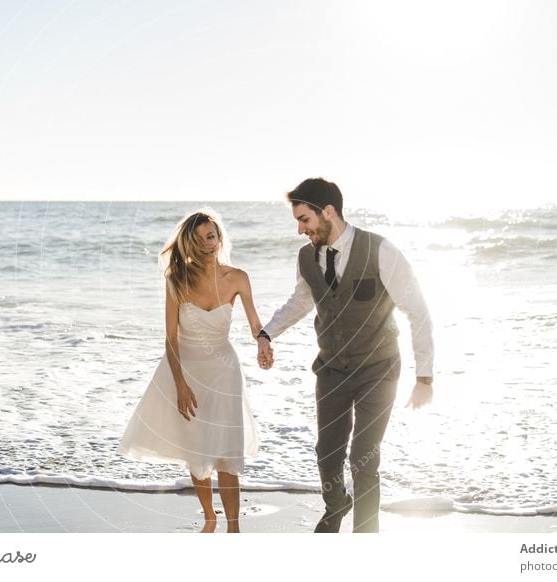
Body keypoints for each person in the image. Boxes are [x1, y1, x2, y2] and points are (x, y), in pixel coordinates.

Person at [256, 178, 435, 533]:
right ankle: (337, 503)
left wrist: (424, 377)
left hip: (378, 370)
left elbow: (417, 310)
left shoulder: (380, 250)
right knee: (327, 455)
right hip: (332, 369)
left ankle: (365, 535)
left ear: (329, 212)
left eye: (304, 219)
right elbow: (302, 301)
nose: (300, 229)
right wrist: (267, 332)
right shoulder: (307, 256)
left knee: (363, 459)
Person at [117, 210, 266, 533]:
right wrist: (180, 385)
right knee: (197, 450)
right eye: (198, 240)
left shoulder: (238, 278)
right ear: (189, 244)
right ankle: (209, 517)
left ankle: (234, 528)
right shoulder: (177, 279)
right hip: (187, 371)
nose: (207, 244)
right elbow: (170, 338)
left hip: (225, 373)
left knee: (228, 452)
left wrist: (263, 342)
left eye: (211, 236)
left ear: (219, 237)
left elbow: (255, 324)